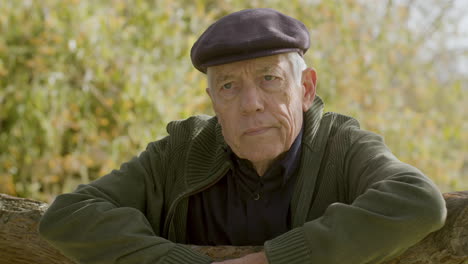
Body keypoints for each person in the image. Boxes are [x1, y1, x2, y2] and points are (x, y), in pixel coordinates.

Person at [39, 8, 447, 264]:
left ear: (305, 89)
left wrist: (272, 261)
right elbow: (70, 214)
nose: (251, 103)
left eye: (269, 79)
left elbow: (419, 202)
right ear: (213, 99)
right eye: (229, 86)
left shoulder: (342, 144)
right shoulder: (182, 149)